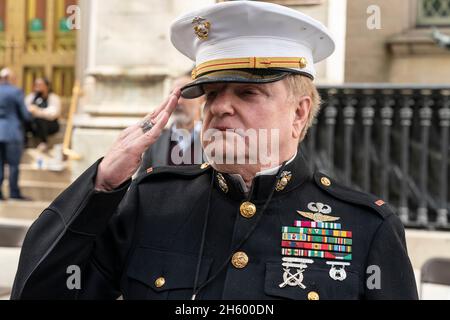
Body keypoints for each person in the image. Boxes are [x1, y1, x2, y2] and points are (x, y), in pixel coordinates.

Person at [12, 1, 418, 300]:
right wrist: (103, 185)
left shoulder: (365, 226)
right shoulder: (152, 203)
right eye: (211, 93)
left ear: (299, 112)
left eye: (247, 92)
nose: (220, 106)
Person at [137, 73, 204, 173]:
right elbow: (141, 181)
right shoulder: (155, 140)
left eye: (184, 94)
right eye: (172, 95)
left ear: (201, 98)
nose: (177, 102)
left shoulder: (214, 138)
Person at [0, 68, 31, 201]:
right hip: (12, 132)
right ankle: (13, 192)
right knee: (13, 164)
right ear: (11, 78)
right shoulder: (16, 91)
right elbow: (25, 114)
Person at [25, 78, 61, 152]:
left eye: (40, 85)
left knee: (40, 120)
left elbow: (53, 114)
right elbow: (25, 109)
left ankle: (43, 142)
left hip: (50, 125)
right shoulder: (31, 97)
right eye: (36, 84)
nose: (37, 86)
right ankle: (23, 143)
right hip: (34, 125)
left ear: (47, 86)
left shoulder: (54, 98)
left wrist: (37, 111)